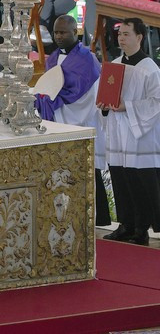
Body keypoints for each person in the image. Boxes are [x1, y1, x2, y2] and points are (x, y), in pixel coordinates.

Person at [33, 15, 110, 228]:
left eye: (63, 32)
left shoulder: (87, 59)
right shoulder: (53, 58)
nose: (58, 36)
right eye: (56, 32)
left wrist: (55, 103)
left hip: (80, 122)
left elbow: (88, 96)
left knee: (85, 171)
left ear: (74, 32)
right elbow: (50, 86)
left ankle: (97, 218)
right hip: (58, 120)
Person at [100, 18, 160, 246]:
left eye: (127, 34)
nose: (121, 38)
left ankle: (141, 228)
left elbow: (159, 104)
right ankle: (125, 224)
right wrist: (104, 105)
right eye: (120, 34)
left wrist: (127, 106)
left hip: (140, 136)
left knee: (139, 181)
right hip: (119, 132)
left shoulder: (150, 70)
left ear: (140, 37)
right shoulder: (115, 64)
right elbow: (107, 96)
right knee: (120, 179)